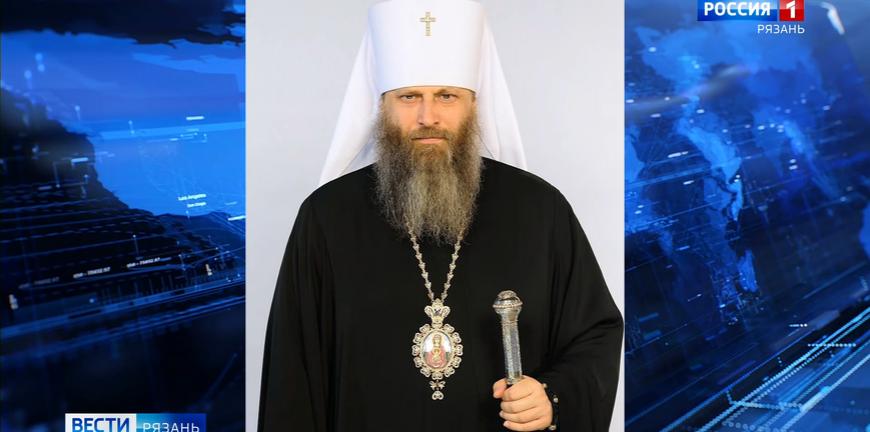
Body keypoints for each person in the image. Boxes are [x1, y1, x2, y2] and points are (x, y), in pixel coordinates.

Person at [258, 0, 623, 431]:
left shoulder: (539, 208)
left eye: (447, 96)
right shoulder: (327, 216)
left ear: (473, 104)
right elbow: (293, 371)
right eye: (409, 97)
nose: (427, 117)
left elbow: (595, 332)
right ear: (382, 105)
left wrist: (552, 396)